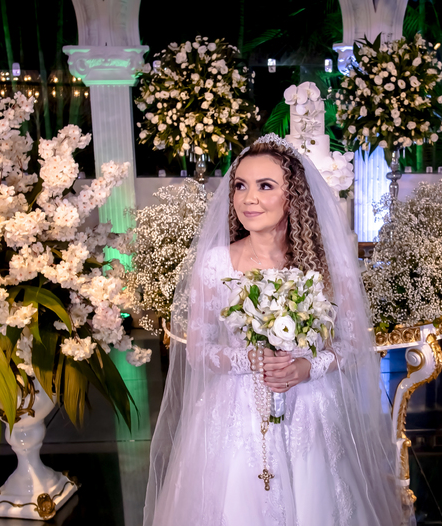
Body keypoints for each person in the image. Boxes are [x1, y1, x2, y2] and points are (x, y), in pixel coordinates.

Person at [145, 135, 409, 525]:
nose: (248, 198)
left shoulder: (327, 265)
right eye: (240, 186)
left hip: (311, 407)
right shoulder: (216, 264)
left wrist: (307, 367)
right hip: (235, 412)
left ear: (294, 197)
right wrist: (249, 358)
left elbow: (354, 344)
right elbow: (199, 350)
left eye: (265, 186)